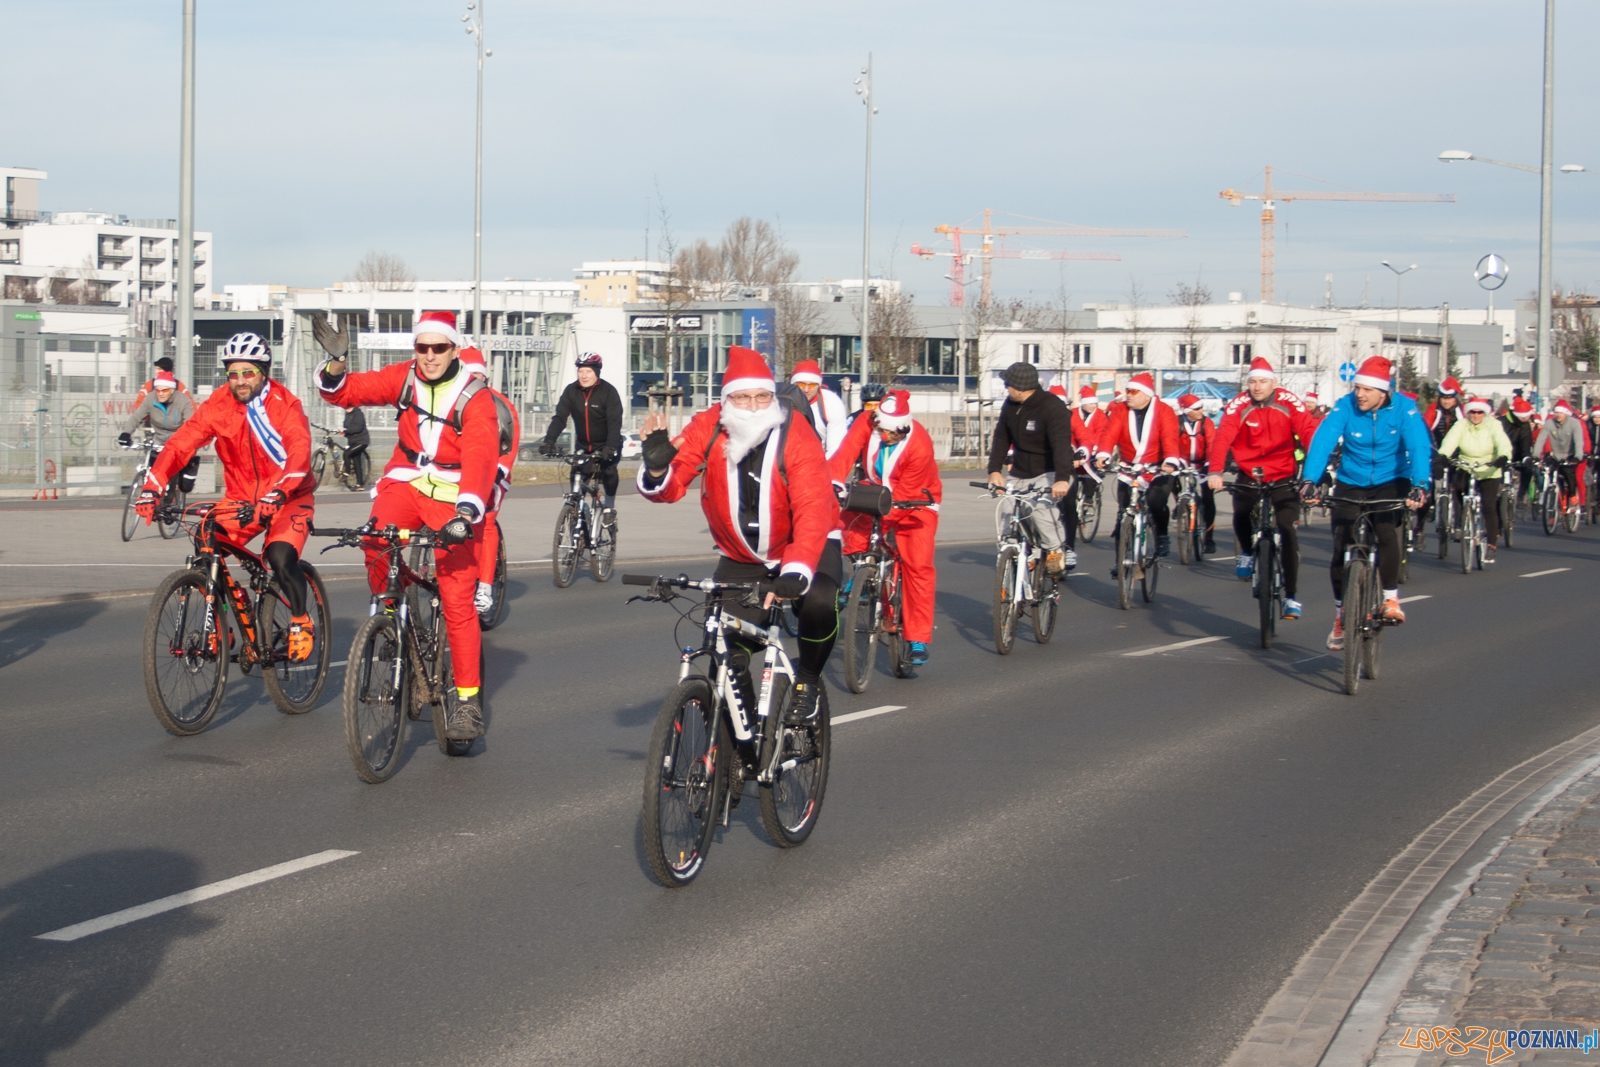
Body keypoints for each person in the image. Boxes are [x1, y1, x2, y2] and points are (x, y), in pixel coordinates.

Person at [314, 310, 500, 741]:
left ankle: (468, 703)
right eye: (422, 347)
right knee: (375, 538)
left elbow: (480, 456)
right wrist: (338, 363)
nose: (430, 356)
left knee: (457, 599)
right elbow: (344, 394)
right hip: (406, 480)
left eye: (439, 348)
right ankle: (389, 612)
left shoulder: (476, 397)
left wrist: (467, 513)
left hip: (455, 494)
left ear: (454, 349)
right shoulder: (404, 378)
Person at [637, 346, 841, 723]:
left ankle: (808, 683)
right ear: (726, 398)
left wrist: (795, 572)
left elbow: (813, 508)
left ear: (772, 396)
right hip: (742, 557)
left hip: (805, 546)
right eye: (742, 397)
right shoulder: (709, 426)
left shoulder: (795, 432)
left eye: (762, 396)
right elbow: (673, 484)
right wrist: (655, 471)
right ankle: (741, 741)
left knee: (819, 601)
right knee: (724, 651)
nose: (752, 405)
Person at [134, 333, 317, 660]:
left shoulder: (285, 405)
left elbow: (299, 453)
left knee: (279, 557)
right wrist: (153, 486)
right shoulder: (219, 404)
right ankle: (217, 622)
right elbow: (180, 445)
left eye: (248, 372)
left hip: (288, 496)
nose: (240, 381)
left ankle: (301, 619)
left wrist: (278, 493)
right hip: (241, 500)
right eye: (233, 374)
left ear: (263, 371)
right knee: (205, 536)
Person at [1300, 356, 1432, 651]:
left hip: (1391, 479)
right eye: (1357, 387)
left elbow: (1419, 447)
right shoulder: (1345, 406)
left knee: (1386, 532)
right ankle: (1339, 616)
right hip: (1351, 480)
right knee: (1340, 545)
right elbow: (1323, 439)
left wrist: (1420, 485)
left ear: (1383, 392)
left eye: (1366, 390)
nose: (1359, 393)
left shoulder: (1404, 410)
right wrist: (1310, 479)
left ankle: (1390, 599)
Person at [830, 390, 941, 666]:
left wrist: (881, 522)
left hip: (916, 501)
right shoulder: (868, 422)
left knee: (917, 565)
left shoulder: (920, 445)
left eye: (893, 433)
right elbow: (845, 453)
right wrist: (833, 482)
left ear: (904, 428)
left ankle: (917, 638)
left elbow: (903, 495)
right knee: (842, 518)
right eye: (881, 430)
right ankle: (861, 574)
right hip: (876, 489)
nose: (885, 436)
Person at [1207, 358, 1316, 620]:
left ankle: (1291, 596)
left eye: (1263, 382)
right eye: (1253, 382)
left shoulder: (1290, 403)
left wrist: (1314, 476)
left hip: (1283, 473)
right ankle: (1246, 552)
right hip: (1250, 471)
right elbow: (1224, 436)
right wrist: (1215, 470)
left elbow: (1309, 431)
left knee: (1287, 527)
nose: (1257, 387)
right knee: (1241, 510)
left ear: (1274, 383)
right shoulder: (1239, 404)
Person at [987, 361, 1078, 575]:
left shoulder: (1051, 406)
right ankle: (1014, 561)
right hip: (1020, 472)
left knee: (1040, 510)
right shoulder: (1010, 405)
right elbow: (1001, 437)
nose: (1006, 388)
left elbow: (1062, 445)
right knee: (1007, 514)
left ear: (1019, 387)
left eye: (1008, 384)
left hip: (1051, 472)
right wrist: (994, 471)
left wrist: (1062, 479)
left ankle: (1055, 550)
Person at [459, 347, 521, 615]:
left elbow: (510, 446)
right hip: (460, 470)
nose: (472, 380)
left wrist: (497, 475)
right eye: (467, 374)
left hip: (494, 471)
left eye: (477, 375)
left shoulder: (502, 404)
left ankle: (484, 586)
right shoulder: (455, 399)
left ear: (484, 377)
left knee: (487, 519)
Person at [1094, 371, 1180, 560]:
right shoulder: (1121, 410)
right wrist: (1103, 454)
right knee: (1123, 514)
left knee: (1156, 502)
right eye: (1127, 391)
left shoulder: (1164, 411)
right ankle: (1121, 561)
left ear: (1146, 394)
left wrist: (1171, 459)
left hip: (1157, 468)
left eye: (1133, 392)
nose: (1128, 395)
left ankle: (1162, 535)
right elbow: (1109, 434)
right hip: (1129, 469)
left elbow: (1170, 438)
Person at [540, 352, 624, 516]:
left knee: (609, 471)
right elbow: (560, 418)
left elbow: (615, 422)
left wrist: (611, 446)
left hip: (607, 444)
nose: (584, 375)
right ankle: (575, 515)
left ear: (596, 372)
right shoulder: (571, 391)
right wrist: (549, 441)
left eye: (588, 371)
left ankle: (609, 506)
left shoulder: (608, 392)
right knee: (577, 477)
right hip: (584, 446)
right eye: (581, 371)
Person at [1438, 396, 1513, 562]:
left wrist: (1503, 457)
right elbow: (1451, 440)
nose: (1476, 415)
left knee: (1489, 506)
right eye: (1473, 412)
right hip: (1467, 465)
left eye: (1479, 412)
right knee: (1457, 487)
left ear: (1484, 413)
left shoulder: (1494, 425)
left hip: (1489, 468)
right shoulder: (1461, 425)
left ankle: (1492, 544)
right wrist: (1443, 455)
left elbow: (1502, 442)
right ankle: (1460, 523)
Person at [119, 369, 200, 494]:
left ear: (172, 390)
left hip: (178, 440)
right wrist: (126, 433)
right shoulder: (150, 399)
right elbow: (136, 417)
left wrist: (185, 443)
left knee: (178, 480)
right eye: (158, 390)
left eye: (165, 390)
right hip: (160, 439)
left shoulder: (183, 401)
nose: (161, 394)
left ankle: (170, 499)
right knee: (153, 468)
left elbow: (191, 424)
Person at [1176, 394, 1217, 554]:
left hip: (1202, 463)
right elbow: (1171, 441)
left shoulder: (1207, 422)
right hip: (1183, 461)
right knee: (1170, 479)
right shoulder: (1177, 422)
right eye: (1197, 408)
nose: (1201, 411)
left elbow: (1212, 444)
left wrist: (1209, 464)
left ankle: (1209, 538)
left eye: (1201, 407)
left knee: (1208, 498)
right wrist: (1173, 460)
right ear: (1186, 411)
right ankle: (1179, 501)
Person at [790, 359, 849, 458]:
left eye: (812, 385)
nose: (806, 390)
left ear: (819, 385)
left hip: (820, 460)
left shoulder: (832, 403)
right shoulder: (782, 402)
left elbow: (835, 450)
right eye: (801, 384)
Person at [1534, 398, 1587, 505]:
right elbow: (1540, 440)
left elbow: (1578, 440)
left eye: (1561, 412)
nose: (1558, 415)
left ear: (1566, 413)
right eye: (1556, 412)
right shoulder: (1549, 424)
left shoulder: (1574, 423)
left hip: (1570, 456)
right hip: (1556, 456)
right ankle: (1555, 503)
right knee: (1552, 477)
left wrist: (1577, 457)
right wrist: (1535, 455)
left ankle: (1572, 494)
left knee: (1569, 474)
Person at [341, 406, 370, 478]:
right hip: (353, 441)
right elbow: (347, 426)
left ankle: (347, 471)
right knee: (356, 463)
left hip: (361, 441)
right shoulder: (347, 414)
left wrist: (347, 431)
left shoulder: (358, 414)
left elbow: (358, 428)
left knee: (346, 453)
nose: (345, 408)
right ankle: (360, 485)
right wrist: (345, 432)